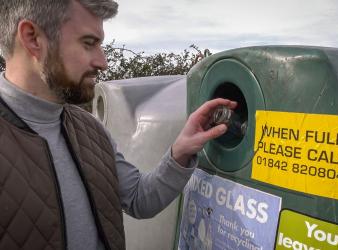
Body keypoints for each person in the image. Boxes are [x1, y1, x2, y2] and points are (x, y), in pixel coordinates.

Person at [0, 1, 236, 250]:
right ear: (32, 38)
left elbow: (138, 199)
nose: (103, 62)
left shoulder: (89, 129)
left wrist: (181, 151)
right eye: (88, 43)